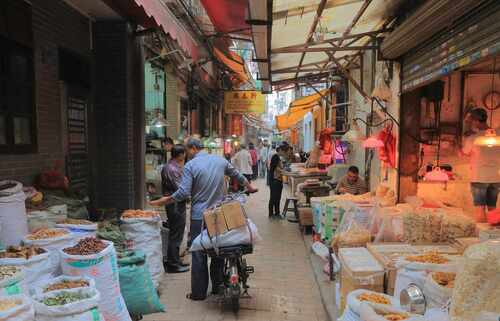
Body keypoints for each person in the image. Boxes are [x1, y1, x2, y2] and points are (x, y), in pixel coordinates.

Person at [150, 138, 257, 301]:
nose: (186, 154)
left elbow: (183, 193)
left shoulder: (190, 166)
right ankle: (217, 286)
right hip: (219, 214)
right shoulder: (220, 160)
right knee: (219, 249)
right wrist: (250, 187)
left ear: (193, 149)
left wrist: (165, 200)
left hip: (199, 217)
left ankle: (199, 293)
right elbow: (237, 175)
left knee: (199, 252)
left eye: (187, 151)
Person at [461, 108, 500, 222]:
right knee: (492, 208)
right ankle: (493, 235)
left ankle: (482, 236)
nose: (471, 124)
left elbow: (464, 153)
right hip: (496, 178)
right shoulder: (497, 134)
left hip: (479, 178)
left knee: (480, 209)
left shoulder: (473, 138)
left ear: (477, 121)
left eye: (472, 121)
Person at [161, 144, 189, 273]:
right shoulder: (171, 169)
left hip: (176, 203)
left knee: (176, 233)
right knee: (176, 234)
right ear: (181, 154)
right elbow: (180, 189)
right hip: (175, 204)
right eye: (184, 153)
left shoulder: (173, 166)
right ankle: (173, 264)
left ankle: (176, 260)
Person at [268, 154, 284, 218]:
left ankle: (275, 213)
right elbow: (284, 172)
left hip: (276, 183)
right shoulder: (277, 168)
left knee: (275, 199)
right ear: (277, 161)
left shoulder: (274, 167)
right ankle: (273, 214)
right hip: (276, 183)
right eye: (279, 160)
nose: (280, 161)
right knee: (274, 199)